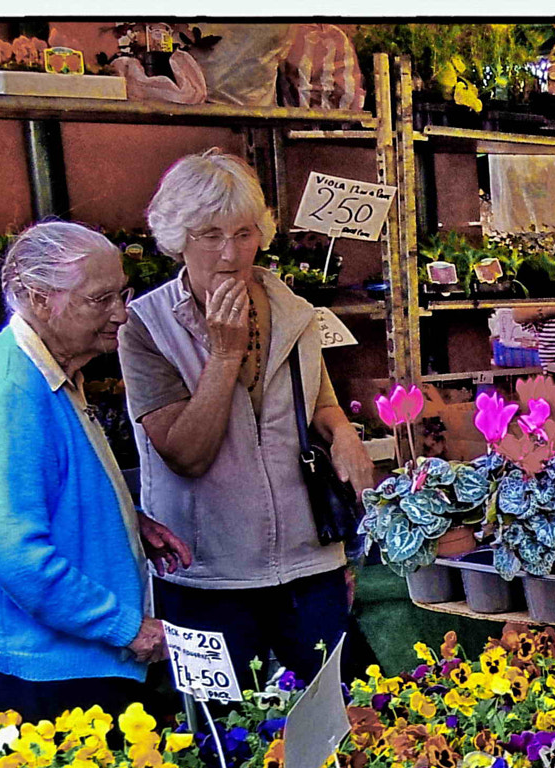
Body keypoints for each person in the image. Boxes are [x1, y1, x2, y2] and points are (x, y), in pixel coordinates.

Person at [120, 148, 377, 687]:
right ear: (177, 238)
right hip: (206, 574)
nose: (231, 252)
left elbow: (320, 400)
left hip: (308, 563)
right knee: (220, 740)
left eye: (244, 233)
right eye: (210, 235)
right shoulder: (144, 328)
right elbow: (185, 454)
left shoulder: (293, 310)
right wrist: (224, 355)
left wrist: (344, 433)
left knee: (353, 713)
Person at [0, 220, 179, 718]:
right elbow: (12, 553)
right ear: (37, 298)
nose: (121, 314)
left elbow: (45, 488)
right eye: (100, 300)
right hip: (39, 676)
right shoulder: (9, 392)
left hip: (58, 662)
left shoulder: (50, 368)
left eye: (123, 294)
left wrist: (124, 520)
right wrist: (124, 627)